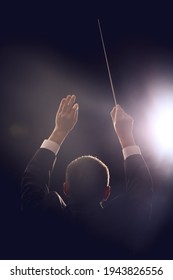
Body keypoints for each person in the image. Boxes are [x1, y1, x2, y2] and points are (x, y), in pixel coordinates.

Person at [21, 94, 153, 259]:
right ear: (107, 192)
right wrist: (126, 137)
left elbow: (32, 179)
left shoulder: (45, 221)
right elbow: (143, 191)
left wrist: (59, 131)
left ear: (66, 188)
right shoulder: (121, 226)